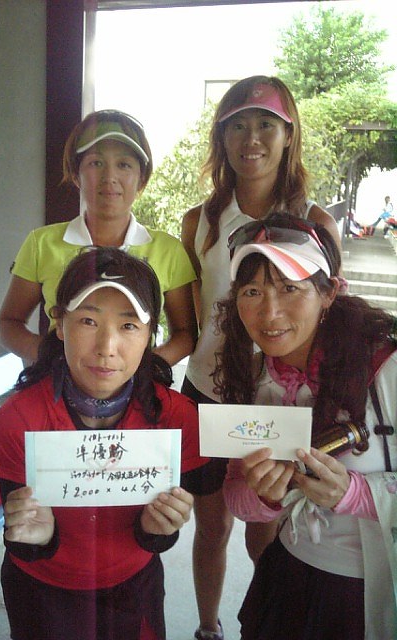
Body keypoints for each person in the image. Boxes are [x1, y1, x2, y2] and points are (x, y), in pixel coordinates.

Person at [0, 247, 217, 640]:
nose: (107, 346)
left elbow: (161, 534)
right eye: (88, 320)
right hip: (42, 590)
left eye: (128, 325)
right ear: (59, 323)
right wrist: (36, 540)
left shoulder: (175, 418)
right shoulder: (16, 421)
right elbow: (20, 540)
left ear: (150, 335)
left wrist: (157, 529)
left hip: (133, 586)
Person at [180, 75, 342, 639]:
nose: (251, 138)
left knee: (268, 526)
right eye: (237, 126)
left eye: (266, 125)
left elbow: (328, 317)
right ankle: (207, 627)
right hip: (207, 394)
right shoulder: (198, 221)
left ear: (288, 135)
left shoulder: (316, 222)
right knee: (211, 527)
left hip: (279, 400)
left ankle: (271, 624)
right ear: (221, 139)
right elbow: (197, 316)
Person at [215, 212, 397, 639]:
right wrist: (265, 495)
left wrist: (355, 494)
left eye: (290, 288)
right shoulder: (256, 377)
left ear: (328, 292)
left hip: (369, 590)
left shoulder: (386, 369)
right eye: (252, 291)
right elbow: (236, 496)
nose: (270, 311)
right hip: (291, 574)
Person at [0, 109, 197, 367]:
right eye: (96, 163)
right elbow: (8, 323)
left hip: (137, 387)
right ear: (76, 174)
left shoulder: (168, 250)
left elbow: (185, 333)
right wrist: (53, 360)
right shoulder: (42, 243)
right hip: (57, 385)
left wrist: (143, 369)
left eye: (124, 165)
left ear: (141, 178)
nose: (109, 177)